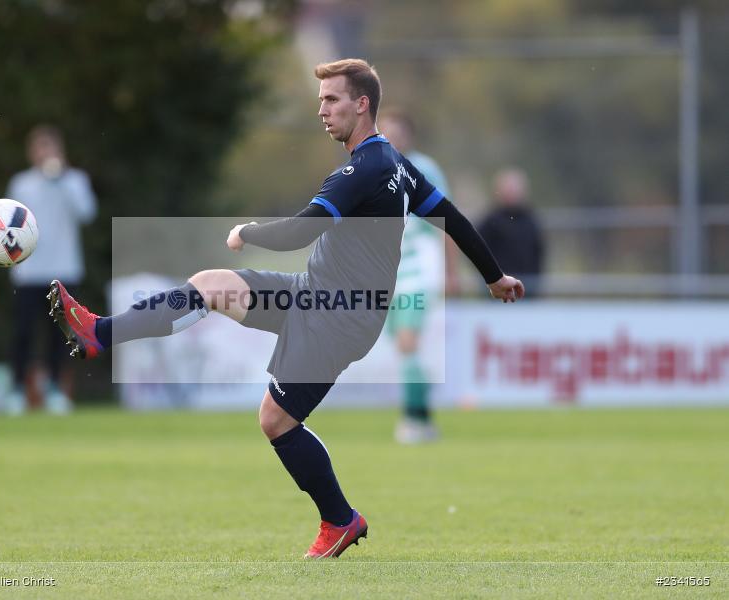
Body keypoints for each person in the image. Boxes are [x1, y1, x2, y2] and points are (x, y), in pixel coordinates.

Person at [48, 59, 523, 558]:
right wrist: (495, 277)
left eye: (332, 100)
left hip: (338, 316)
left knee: (276, 421)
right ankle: (98, 332)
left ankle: (340, 520)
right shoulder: (396, 164)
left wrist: (246, 232)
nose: (322, 110)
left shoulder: (363, 170)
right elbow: (453, 218)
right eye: (320, 100)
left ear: (362, 104)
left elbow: (302, 230)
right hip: (315, 294)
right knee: (210, 286)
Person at [5, 125, 97, 414]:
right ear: (31, 153)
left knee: (62, 335)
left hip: (64, 271)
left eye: (50, 148)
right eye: (40, 148)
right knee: (23, 333)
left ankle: (58, 390)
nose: (45, 154)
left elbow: (86, 212)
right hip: (28, 272)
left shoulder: (75, 181)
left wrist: (61, 179)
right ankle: (18, 391)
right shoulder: (21, 184)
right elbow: (8, 226)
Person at [379, 108, 452, 444]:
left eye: (397, 131)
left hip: (420, 268)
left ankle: (413, 420)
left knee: (408, 341)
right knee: (405, 348)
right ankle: (423, 418)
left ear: (408, 135)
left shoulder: (424, 169)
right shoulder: (375, 170)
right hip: (391, 274)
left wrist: (452, 271)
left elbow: (447, 222)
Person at [477, 168, 545, 297]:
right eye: (508, 189)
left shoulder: (531, 220)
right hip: (498, 290)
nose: (512, 193)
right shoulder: (490, 221)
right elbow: (477, 251)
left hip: (527, 289)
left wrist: (536, 283)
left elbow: (539, 252)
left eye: (514, 189)